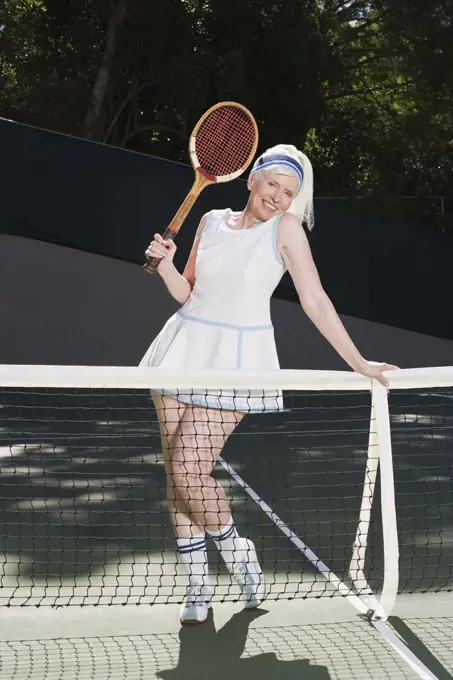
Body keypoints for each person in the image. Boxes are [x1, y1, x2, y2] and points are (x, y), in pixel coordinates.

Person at [140, 144, 396, 624]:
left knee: (189, 469)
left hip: (238, 360)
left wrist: (358, 361)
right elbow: (188, 293)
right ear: (253, 180)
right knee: (177, 476)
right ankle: (197, 583)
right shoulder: (212, 220)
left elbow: (315, 300)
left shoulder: (286, 230)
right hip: (180, 347)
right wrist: (168, 265)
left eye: (289, 192)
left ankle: (238, 554)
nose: (278, 196)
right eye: (273, 184)